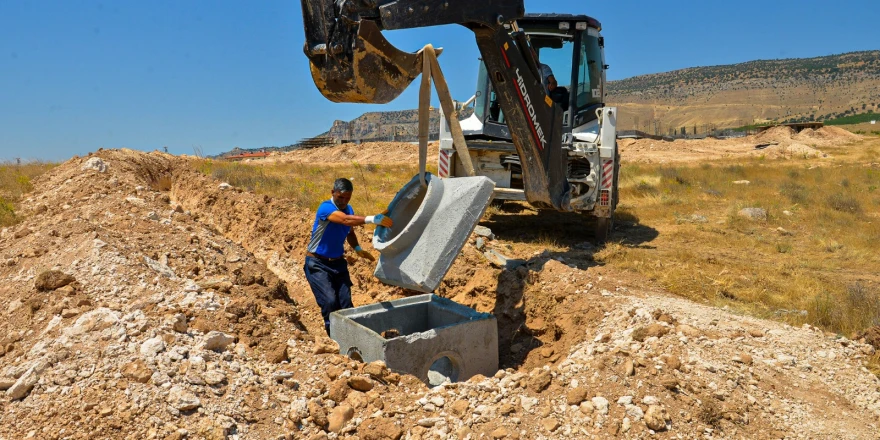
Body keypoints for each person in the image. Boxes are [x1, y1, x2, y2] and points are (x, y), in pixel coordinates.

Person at [303, 178, 393, 335]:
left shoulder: (349, 209)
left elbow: (350, 230)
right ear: (333, 193)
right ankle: (333, 336)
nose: (344, 201)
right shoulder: (326, 208)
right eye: (341, 197)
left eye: (347, 198)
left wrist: (357, 248)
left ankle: (350, 336)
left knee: (346, 304)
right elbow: (345, 221)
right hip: (317, 263)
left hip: (338, 263)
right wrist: (372, 219)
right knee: (330, 301)